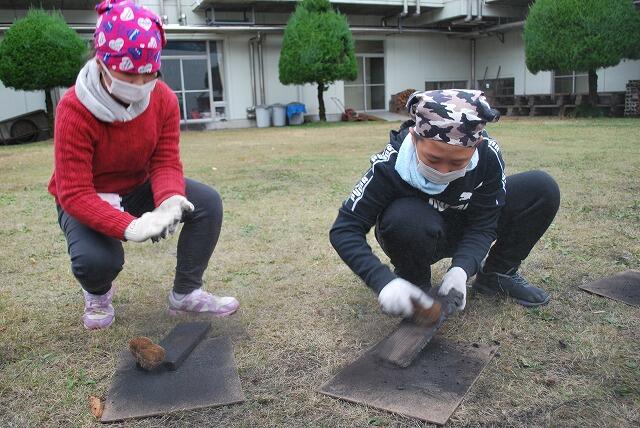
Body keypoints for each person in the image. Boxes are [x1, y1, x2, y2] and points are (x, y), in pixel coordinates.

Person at [49, 0, 239, 330]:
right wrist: (130, 226)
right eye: (128, 75)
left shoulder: (163, 99)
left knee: (207, 203)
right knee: (96, 261)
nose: (138, 86)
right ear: (102, 62)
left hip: (137, 186)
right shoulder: (74, 108)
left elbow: (165, 161)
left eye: (148, 74)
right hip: (89, 195)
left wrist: (169, 199)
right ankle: (97, 292)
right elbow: (75, 192)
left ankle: (186, 293)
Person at [329, 89, 560, 318]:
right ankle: (413, 282)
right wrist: (382, 281)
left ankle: (497, 275)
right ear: (414, 137)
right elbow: (345, 228)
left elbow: (483, 224)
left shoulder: (488, 156)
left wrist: (462, 269)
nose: (443, 171)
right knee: (404, 217)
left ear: (476, 145)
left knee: (540, 188)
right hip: (415, 231)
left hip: (462, 229)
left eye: (457, 162)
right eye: (433, 159)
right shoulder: (391, 163)